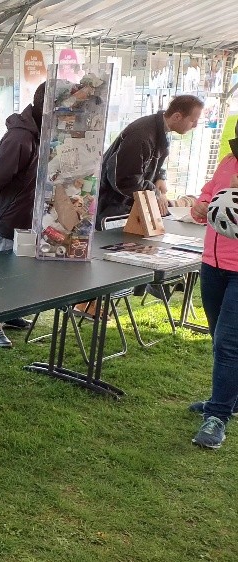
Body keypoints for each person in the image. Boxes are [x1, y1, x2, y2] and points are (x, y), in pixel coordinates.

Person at [0, 82, 46, 348]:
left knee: (20, 269)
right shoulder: (21, 137)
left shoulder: (40, 133)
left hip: (26, 216)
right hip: (8, 216)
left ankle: (11, 313)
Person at [187, 132, 238, 449]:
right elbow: (206, 195)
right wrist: (203, 204)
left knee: (229, 343)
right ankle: (229, 398)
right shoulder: (228, 161)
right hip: (212, 263)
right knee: (218, 335)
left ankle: (217, 415)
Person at [96, 95, 204, 226]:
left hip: (126, 204)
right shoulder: (142, 135)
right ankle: (181, 202)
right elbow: (123, 180)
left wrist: (160, 176)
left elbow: (146, 163)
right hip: (113, 207)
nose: (195, 126)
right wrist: (154, 192)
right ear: (177, 117)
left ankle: (180, 203)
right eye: (193, 121)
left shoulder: (158, 130)